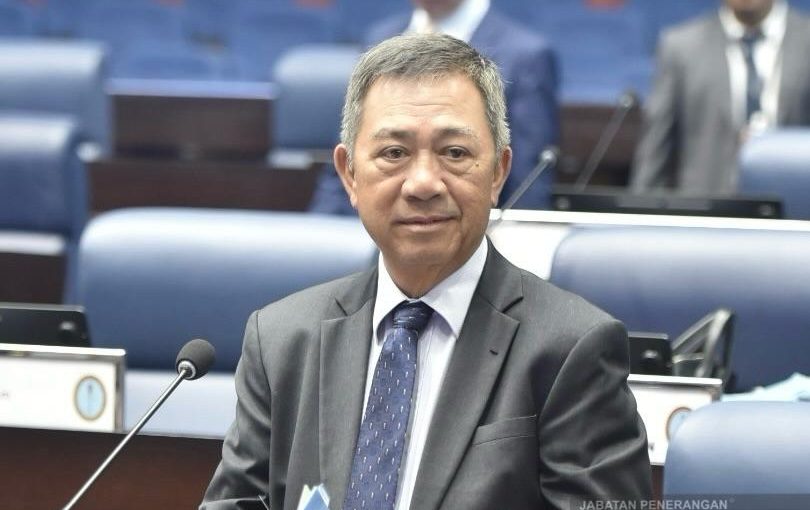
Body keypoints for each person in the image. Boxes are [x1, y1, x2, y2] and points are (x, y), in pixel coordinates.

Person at [201, 34, 650, 510]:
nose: (422, 184)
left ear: (498, 172)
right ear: (349, 174)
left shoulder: (571, 349)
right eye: (394, 153)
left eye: (454, 153)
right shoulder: (282, 340)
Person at [309, 0, 559, 214]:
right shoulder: (378, 38)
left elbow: (527, 184)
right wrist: (322, 233)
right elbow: (347, 163)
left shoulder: (524, 55)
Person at [631, 0, 810, 195]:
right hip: (706, 202)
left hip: (795, 202)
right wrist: (639, 206)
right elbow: (656, 146)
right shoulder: (681, 45)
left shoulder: (805, 39)